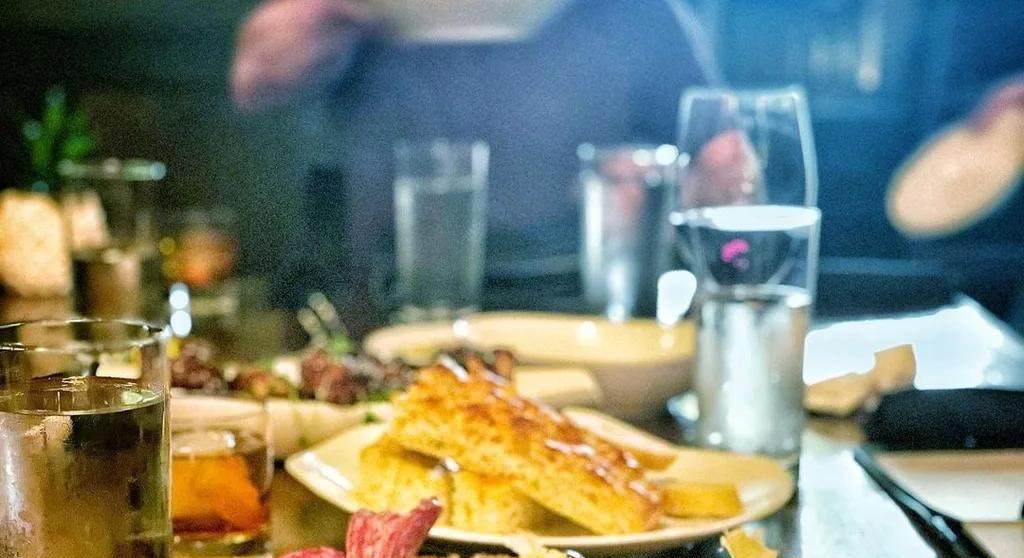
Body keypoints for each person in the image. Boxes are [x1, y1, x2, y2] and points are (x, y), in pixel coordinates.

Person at [231, 0, 716, 332]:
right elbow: (255, 81)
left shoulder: (633, 12)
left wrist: (662, 181)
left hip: (581, 317)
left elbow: (720, 152)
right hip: (378, 309)